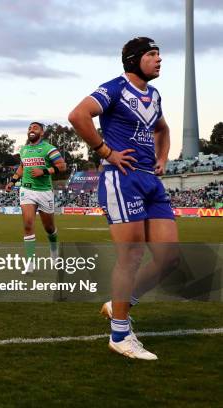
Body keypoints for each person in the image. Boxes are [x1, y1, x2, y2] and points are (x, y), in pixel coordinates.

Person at [68, 37, 178, 360]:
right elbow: (78, 115)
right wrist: (106, 151)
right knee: (130, 255)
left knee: (168, 259)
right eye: (152, 55)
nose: (159, 60)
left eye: (159, 54)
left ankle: (119, 303)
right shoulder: (115, 88)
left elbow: (163, 129)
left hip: (150, 181)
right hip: (122, 178)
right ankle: (120, 334)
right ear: (134, 59)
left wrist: (164, 157)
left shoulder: (154, 95)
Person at [5, 122, 66, 273]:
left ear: (42, 133)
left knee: (49, 228)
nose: (31, 130)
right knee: (27, 225)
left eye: (35, 128)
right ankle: (30, 263)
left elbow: (62, 166)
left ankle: (53, 251)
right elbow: (22, 167)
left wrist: (44, 171)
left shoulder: (49, 149)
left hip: (44, 191)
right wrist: (12, 181)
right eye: (30, 128)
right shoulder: (24, 149)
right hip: (27, 190)